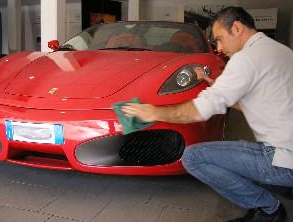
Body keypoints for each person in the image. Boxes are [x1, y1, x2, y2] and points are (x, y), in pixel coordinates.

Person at [122, 6, 293, 222]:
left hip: (283, 158)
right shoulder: (279, 51)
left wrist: (153, 112)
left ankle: (269, 210)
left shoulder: (246, 59)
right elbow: (259, 103)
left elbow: (198, 111)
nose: (219, 48)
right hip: (287, 150)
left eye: (220, 39)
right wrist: (217, 87)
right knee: (237, 151)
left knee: (193, 157)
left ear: (237, 28)